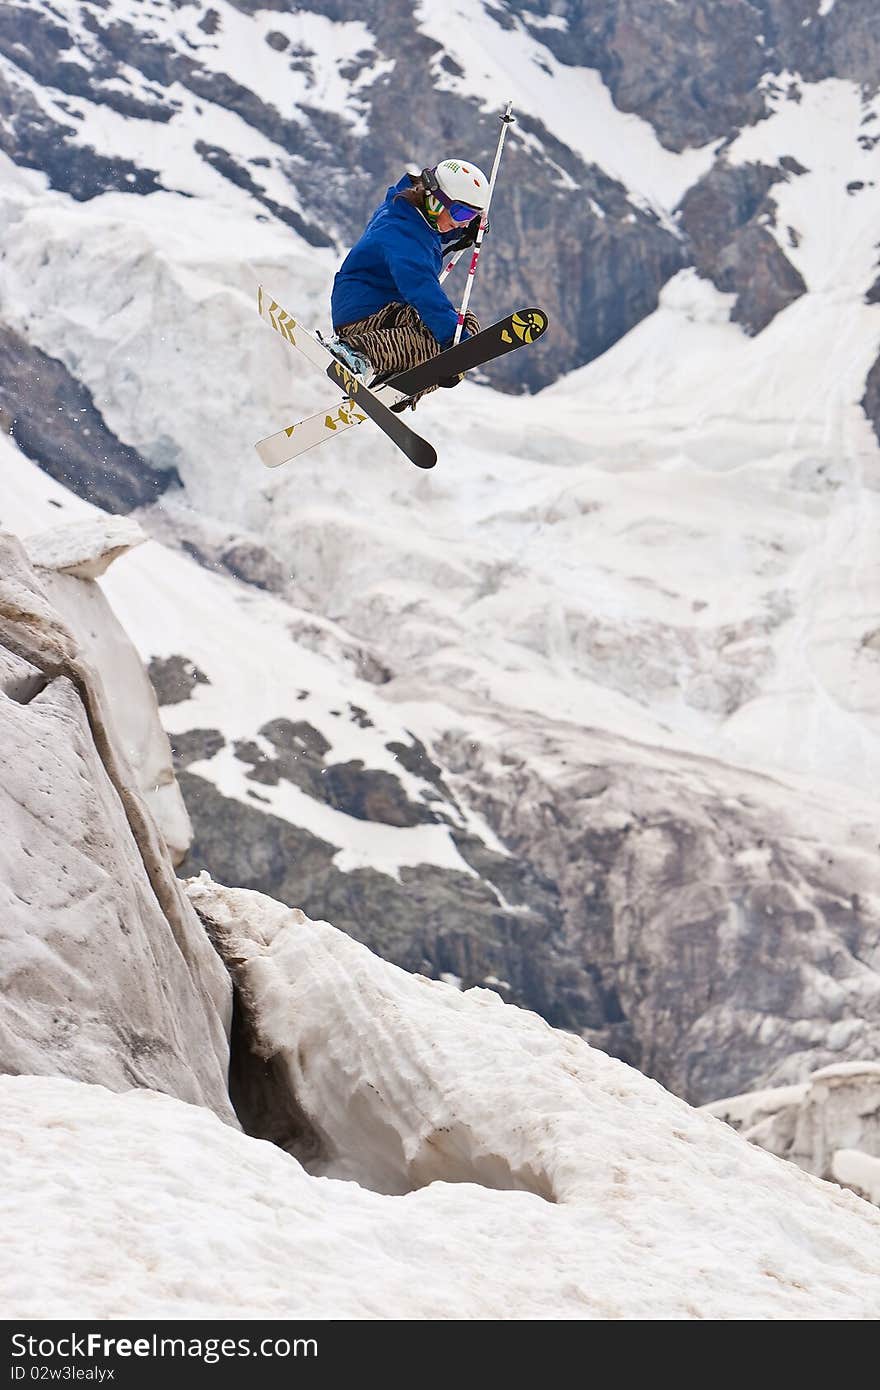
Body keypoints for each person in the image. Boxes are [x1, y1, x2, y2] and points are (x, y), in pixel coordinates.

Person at [329, 159, 489, 408]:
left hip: (386, 310)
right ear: (436, 200)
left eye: (472, 216)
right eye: (461, 213)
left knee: (465, 325)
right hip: (364, 315)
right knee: (442, 344)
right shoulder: (402, 234)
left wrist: (461, 231)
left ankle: (394, 382)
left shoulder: (408, 211)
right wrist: (455, 344)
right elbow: (422, 290)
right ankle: (356, 353)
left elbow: (430, 230)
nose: (464, 222)